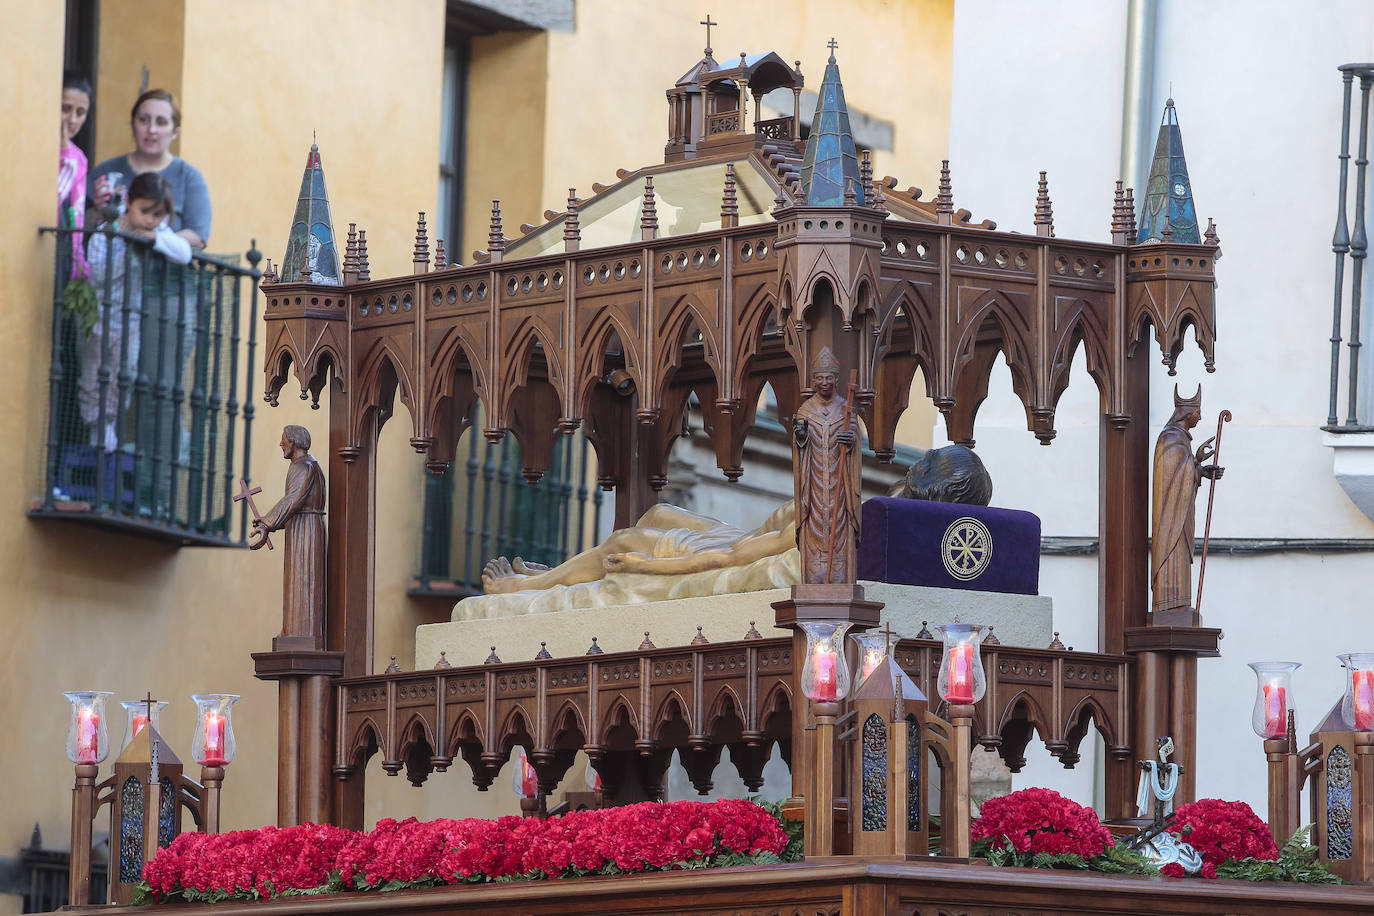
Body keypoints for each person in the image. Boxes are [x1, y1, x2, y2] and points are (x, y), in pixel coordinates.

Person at [78, 172, 191, 452]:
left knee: (123, 373)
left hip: (130, 322)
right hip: (100, 320)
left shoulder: (154, 231)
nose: (151, 219)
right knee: (95, 373)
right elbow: (98, 274)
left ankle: (110, 425)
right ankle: (96, 428)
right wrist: (128, 243)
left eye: (158, 214)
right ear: (128, 201)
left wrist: (152, 236)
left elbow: (184, 253)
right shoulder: (108, 231)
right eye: (145, 212)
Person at [481, 500, 797, 596]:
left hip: (727, 548)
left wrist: (641, 564)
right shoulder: (822, 488)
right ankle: (573, 572)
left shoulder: (810, 528)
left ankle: (525, 585)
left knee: (623, 541)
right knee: (657, 512)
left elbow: (728, 559)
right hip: (735, 535)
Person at [88, 89, 212, 248]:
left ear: (175, 132)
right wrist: (96, 210)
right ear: (133, 124)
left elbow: (198, 237)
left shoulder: (189, 177)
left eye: (161, 122)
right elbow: (76, 226)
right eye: (144, 120)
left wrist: (154, 238)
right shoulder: (106, 172)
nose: (151, 129)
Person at [1150, 385, 1223, 615]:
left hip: (1180, 515)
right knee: (1173, 553)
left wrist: (1200, 468)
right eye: (1198, 412)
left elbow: (1183, 470)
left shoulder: (1181, 438)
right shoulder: (1170, 438)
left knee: (1181, 554)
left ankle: (1179, 603)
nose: (1200, 417)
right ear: (1187, 412)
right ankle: (1169, 604)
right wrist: (1194, 464)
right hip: (1171, 519)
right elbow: (1171, 475)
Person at [251, 426, 326, 643]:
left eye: (283, 440)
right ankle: (293, 629)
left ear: (293, 442)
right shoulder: (308, 464)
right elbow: (298, 504)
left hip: (306, 532)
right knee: (297, 579)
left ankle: (300, 633)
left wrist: (267, 523)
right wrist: (271, 521)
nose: (281, 444)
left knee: (303, 579)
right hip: (302, 525)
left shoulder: (304, 466)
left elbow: (294, 500)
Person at [793, 346, 860, 583]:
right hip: (813, 486)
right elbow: (800, 444)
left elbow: (855, 440)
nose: (824, 382)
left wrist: (851, 441)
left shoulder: (846, 409)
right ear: (813, 380)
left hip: (839, 487)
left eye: (829, 378)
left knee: (839, 522)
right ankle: (816, 576)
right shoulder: (806, 409)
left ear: (836, 379)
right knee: (813, 522)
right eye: (820, 378)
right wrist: (801, 436)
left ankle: (839, 574)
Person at [58, 72, 92, 279]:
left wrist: (79, 267)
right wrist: (64, 153)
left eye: (80, 112)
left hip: (65, 262)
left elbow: (76, 214)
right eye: (65, 109)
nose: (72, 120)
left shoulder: (79, 159)